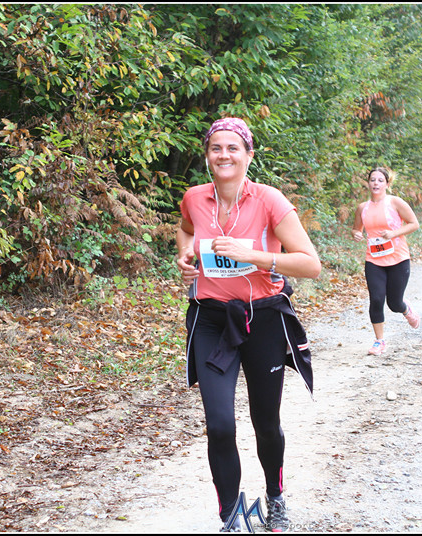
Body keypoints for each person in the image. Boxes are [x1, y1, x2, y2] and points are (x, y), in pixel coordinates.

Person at [176, 117, 321, 532]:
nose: (224, 155)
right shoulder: (194, 198)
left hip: (264, 318)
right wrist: (184, 256)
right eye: (216, 148)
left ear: (248, 155)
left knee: (265, 422)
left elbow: (310, 264)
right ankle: (230, 516)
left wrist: (254, 256)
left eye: (232, 148)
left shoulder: (269, 200)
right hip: (211, 320)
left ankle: (275, 497)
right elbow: (184, 231)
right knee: (220, 425)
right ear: (207, 155)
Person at [351, 167, 421, 356]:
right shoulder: (362, 208)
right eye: (372, 180)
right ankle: (379, 341)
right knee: (376, 299)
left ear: (387, 184)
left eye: (380, 180)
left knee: (394, 303)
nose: (376, 183)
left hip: (398, 258)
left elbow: (414, 224)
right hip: (374, 260)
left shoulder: (395, 202)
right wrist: (356, 234)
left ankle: (406, 309)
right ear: (368, 183)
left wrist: (393, 233)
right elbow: (356, 228)